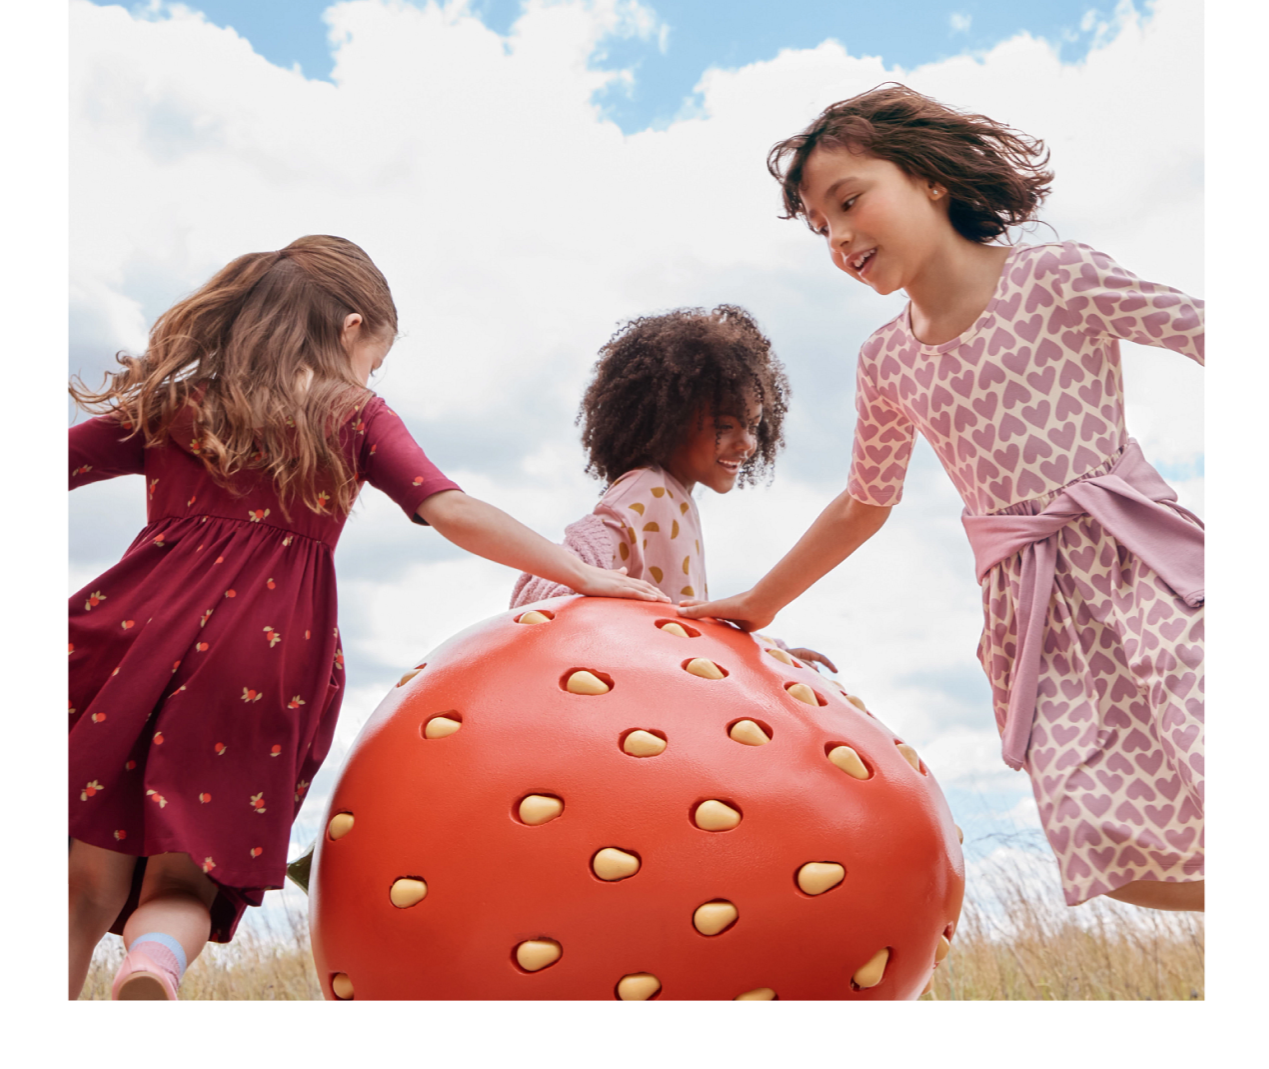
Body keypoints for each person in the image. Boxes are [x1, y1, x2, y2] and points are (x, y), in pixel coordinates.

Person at [68, 235, 667, 1001]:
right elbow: (449, 507)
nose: (370, 375)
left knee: (84, 882)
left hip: (133, 633)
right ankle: (153, 960)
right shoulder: (352, 415)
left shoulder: (184, 402)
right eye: (374, 359)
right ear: (351, 329)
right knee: (186, 876)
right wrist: (583, 573)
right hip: (263, 657)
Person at [679, 84, 1204, 913]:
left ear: (928, 177)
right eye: (823, 227)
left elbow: (1205, 329)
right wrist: (759, 601)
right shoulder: (886, 361)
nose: (841, 236)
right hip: (1033, 611)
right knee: (1104, 838)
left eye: (850, 201)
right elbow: (864, 500)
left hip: (1147, 567)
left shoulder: (1054, 277)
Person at [512, 305, 835, 673]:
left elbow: (685, 619)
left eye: (753, 425)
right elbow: (556, 574)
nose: (747, 443)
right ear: (668, 421)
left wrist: (768, 652)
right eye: (724, 426)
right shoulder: (647, 491)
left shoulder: (673, 498)